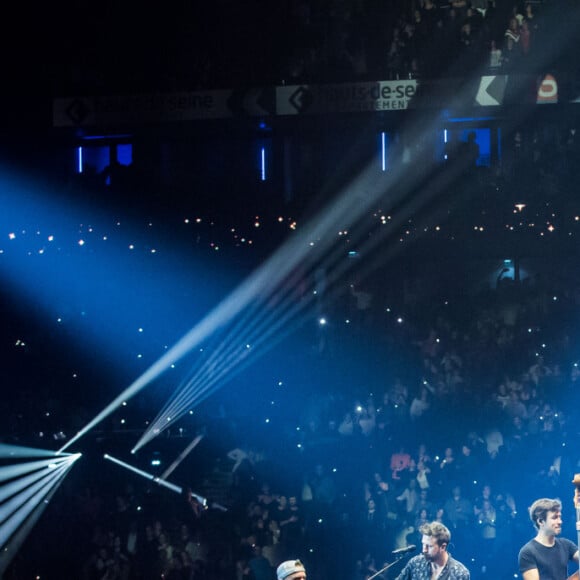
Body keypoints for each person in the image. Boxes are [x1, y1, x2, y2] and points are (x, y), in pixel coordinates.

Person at [518, 498, 579, 579]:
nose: (560, 521)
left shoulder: (566, 544)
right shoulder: (528, 552)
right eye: (555, 517)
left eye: (560, 517)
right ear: (540, 521)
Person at [394, 521, 470, 579]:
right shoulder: (415, 563)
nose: (424, 550)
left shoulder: (459, 573)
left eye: (429, 546)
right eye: (423, 544)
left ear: (443, 547)